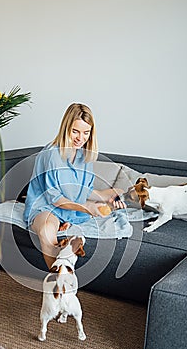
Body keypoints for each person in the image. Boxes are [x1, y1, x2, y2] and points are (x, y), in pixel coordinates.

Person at [23, 103, 125, 269]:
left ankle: (66, 252)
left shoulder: (84, 156)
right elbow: (54, 200)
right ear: (65, 129)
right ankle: (59, 280)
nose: (80, 138)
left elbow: (83, 191)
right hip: (46, 207)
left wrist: (110, 197)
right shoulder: (52, 154)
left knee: (117, 192)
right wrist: (86, 209)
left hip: (69, 208)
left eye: (86, 133)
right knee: (47, 230)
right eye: (75, 131)